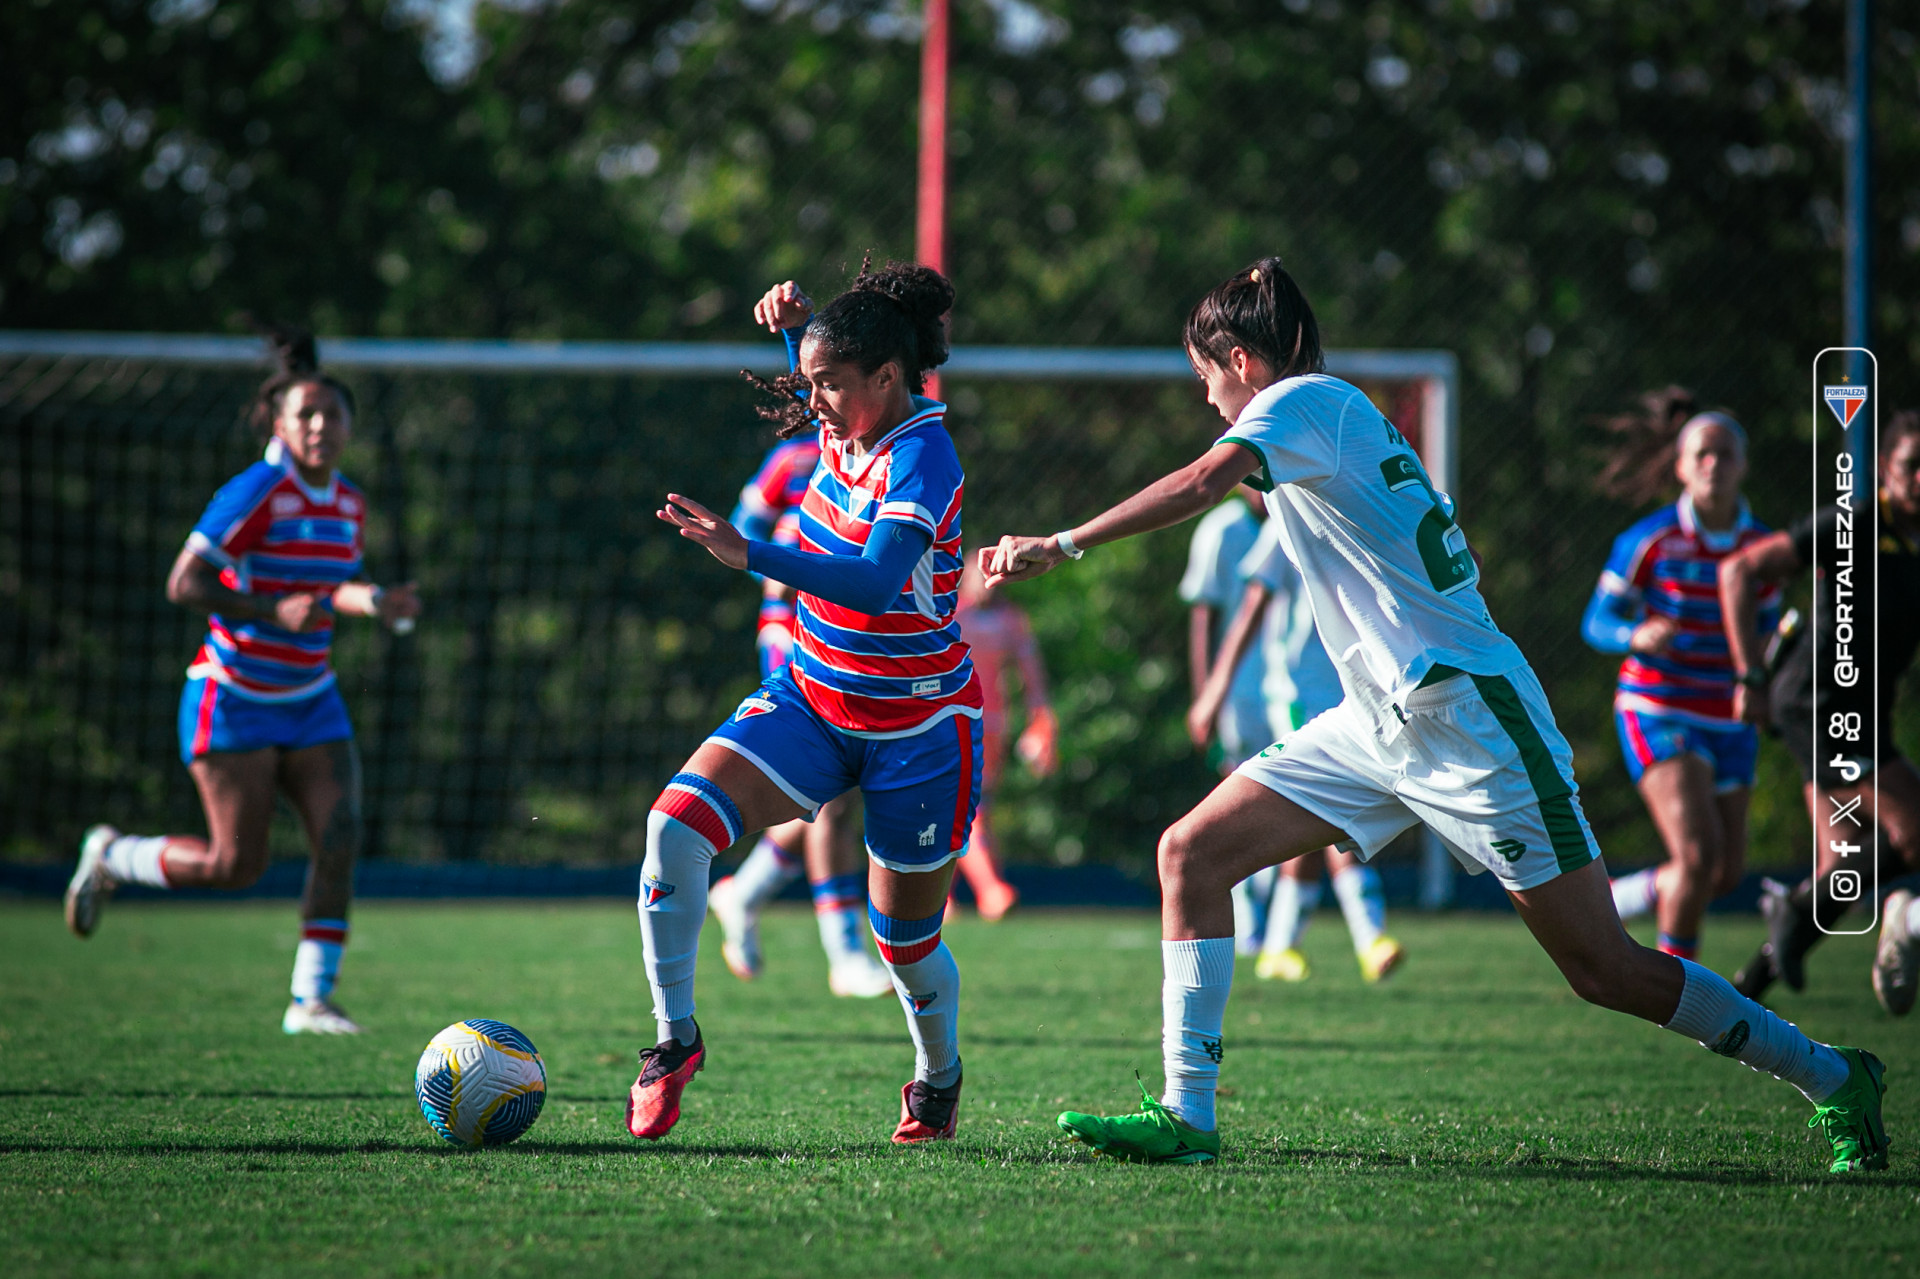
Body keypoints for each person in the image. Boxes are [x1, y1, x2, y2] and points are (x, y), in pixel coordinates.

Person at [982, 257, 1888, 1172]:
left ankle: (1831, 1072)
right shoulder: (1325, 412)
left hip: (1473, 718)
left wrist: (1061, 543)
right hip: (1377, 720)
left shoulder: (1296, 404)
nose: (1207, 399)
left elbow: (1200, 482)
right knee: (1192, 851)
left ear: (1243, 362)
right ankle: (1187, 1113)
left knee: (1603, 969)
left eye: (1205, 377)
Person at [630, 260, 982, 1145]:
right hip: (813, 699)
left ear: (888, 379)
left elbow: (871, 582)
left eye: (826, 383)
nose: (811, 398)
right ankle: (674, 1042)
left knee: (903, 944)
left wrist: (750, 554)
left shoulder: (923, 455)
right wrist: (797, 327)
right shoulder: (851, 416)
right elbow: (835, 370)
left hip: (922, 727)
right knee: (673, 825)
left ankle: (937, 1078)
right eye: (808, 380)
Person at [63, 328, 422, 1034]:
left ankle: (310, 1001)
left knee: (341, 832)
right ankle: (113, 854)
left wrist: (377, 601)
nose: (321, 426)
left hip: (312, 695)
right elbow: (185, 582)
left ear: (350, 424)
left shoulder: (349, 501)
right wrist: (266, 609)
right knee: (235, 864)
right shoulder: (255, 489)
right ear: (279, 425)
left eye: (333, 415)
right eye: (305, 416)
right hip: (235, 698)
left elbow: (330, 589)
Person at [704, 314, 895, 999]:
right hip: (793, 635)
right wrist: (780, 556)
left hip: (861, 643)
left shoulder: (892, 463)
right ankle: (844, 949)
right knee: (840, 794)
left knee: (828, 794)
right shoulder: (798, 459)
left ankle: (747, 891)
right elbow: (744, 525)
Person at [1723, 410, 1920, 1015]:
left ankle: (1744, 992)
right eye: (1913, 465)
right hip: (1820, 699)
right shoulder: (1855, 523)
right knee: (1913, 832)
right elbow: (1741, 569)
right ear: (1885, 468)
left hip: (1867, 707)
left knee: (1844, 868)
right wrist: (1750, 674)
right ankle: (1898, 919)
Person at [1580, 391, 1778, 960]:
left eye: (1725, 454)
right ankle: (1680, 991)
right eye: (1702, 455)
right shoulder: (1648, 541)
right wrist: (1633, 635)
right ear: (1681, 467)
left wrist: (1764, 678)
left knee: (1721, 874)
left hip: (1730, 716)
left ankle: (1617, 900)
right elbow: (1596, 621)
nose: (1713, 464)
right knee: (1695, 858)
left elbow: (1766, 630)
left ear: (1743, 465)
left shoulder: (1764, 547)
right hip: (1658, 706)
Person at [1191, 516, 1404, 984]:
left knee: (1323, 820)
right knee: (1332, 811)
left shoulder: (1354, 509)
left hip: (1356, 691)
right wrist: (1215, 690)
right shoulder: (1286, 518)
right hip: (1296, 693)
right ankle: (1369, 938)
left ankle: (1281, 945)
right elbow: (1251, 606)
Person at [1178, 486, 1278, 952]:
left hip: (1294, 682)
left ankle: (1272, 921)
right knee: (1239, 801)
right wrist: (1206, 695)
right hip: (1237, 687)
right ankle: (1250, 921)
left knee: (1285, 802)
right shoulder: (1220, 530)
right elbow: (1204, 616)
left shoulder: (1298, 520)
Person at [950, 552, 1058, 920]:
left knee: (978, 808)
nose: (984, 582)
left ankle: (942, 897)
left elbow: (1033, 676)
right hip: (952, 722)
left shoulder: (1013, 621)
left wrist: (1041, 721)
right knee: (966, 808)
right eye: (976, 576)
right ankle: (989, 890)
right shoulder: (950, 615)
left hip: (994, 726)